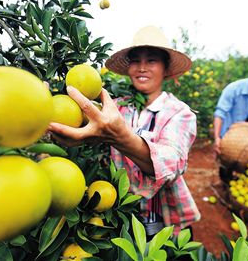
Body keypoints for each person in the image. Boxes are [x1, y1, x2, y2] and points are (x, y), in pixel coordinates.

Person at [48, 26, 200, 238]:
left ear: (166, 69)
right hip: (121, 215)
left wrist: (119, 137)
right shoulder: (113, 107)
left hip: (166, 219)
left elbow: (172, 163)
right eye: (136, 61)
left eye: (152, 60)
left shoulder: (180, 113)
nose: (142, 67)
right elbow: (87, 130)